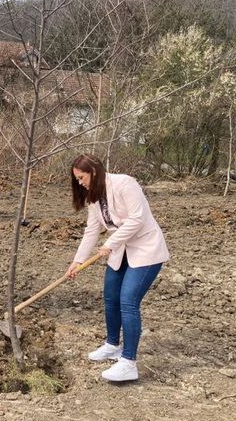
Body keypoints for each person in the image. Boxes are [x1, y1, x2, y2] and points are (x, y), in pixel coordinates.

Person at [65, 154, 169, 382]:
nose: (80, 183)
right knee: (111, 297)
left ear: (94, 172)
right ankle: (113, 344)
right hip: (119, 251)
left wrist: (110, 243)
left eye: (81, 178)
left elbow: (137, 219)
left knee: (128, 301)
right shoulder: (93, 197)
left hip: (145, 250)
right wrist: (78, 261)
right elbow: (92, 229)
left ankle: (129, 362)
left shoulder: (125, 184)